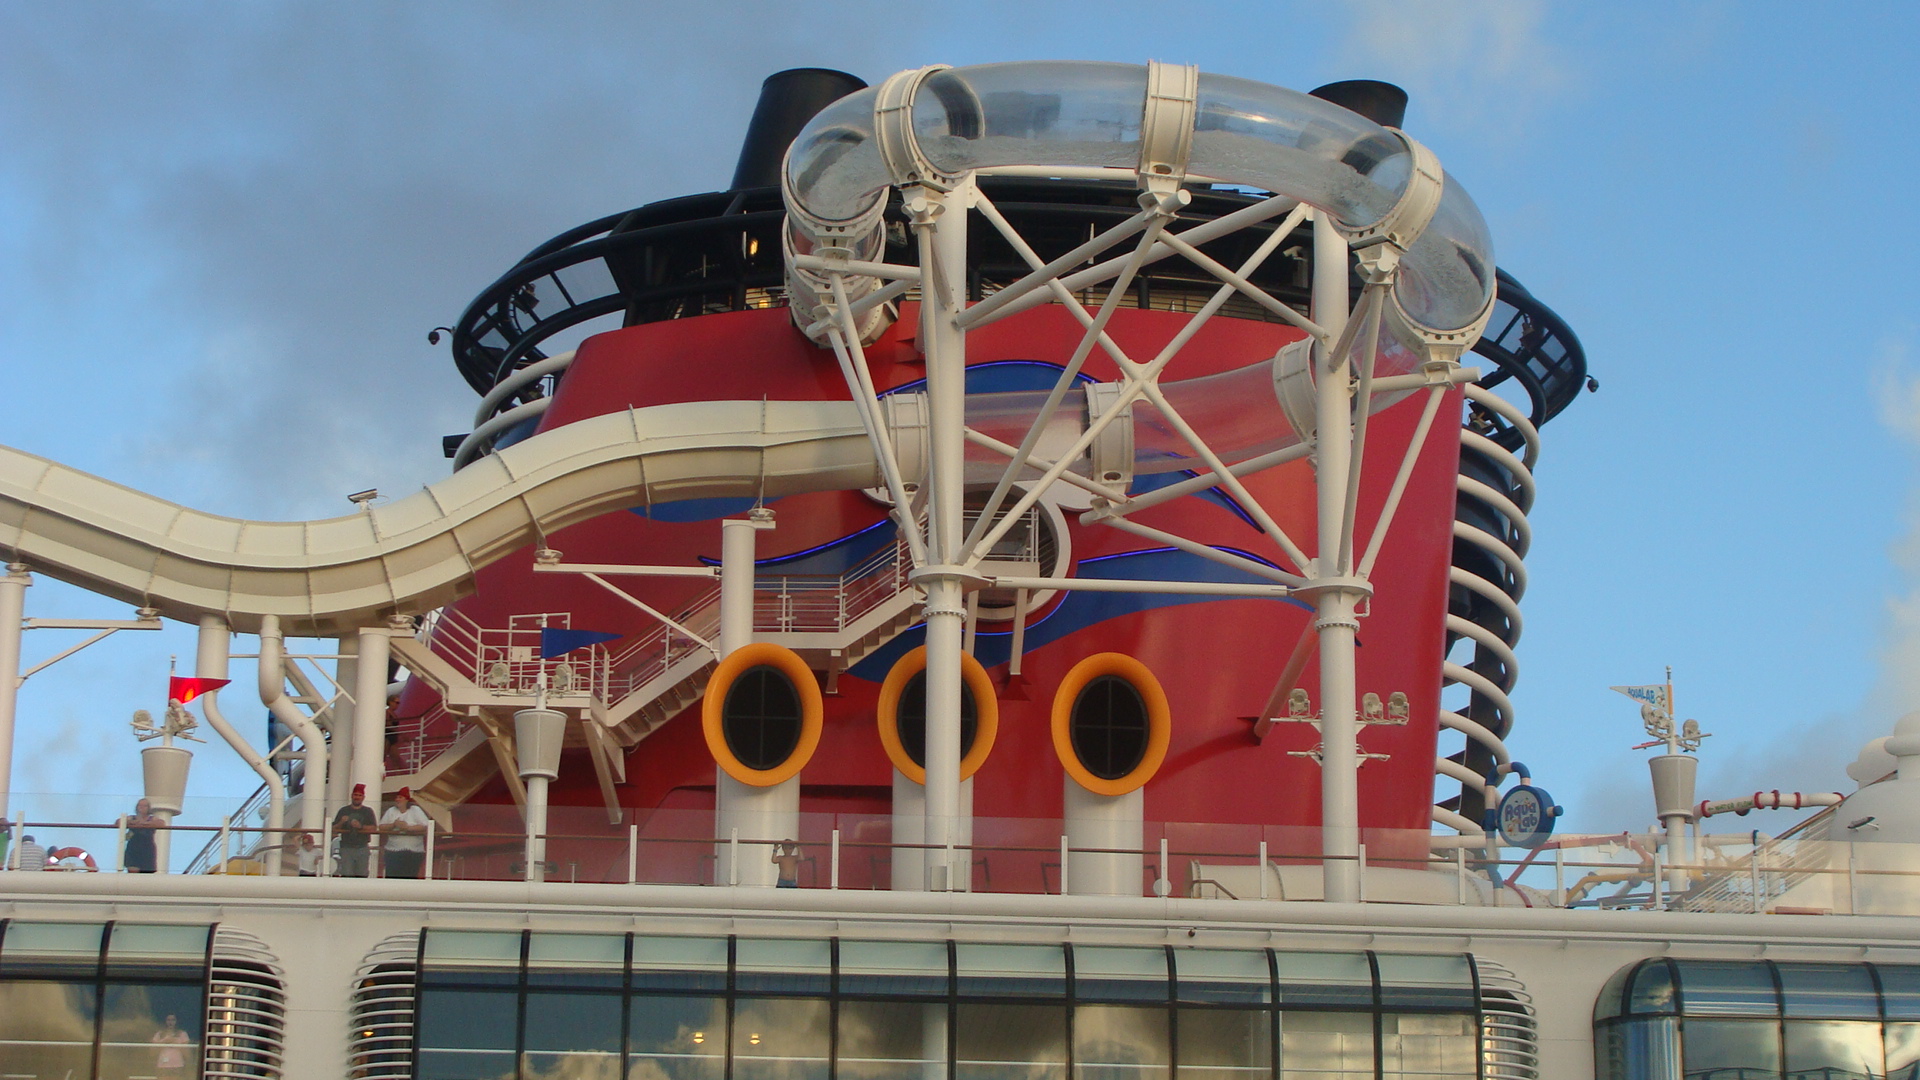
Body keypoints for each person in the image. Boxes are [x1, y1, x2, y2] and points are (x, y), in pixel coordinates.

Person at [380, 787, 430, 879]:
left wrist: (408, 828)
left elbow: (426, 826)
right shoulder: (391, 810)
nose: (397, 800)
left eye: (400, 797)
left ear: (406, 799)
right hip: (393, 852)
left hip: (413, 852)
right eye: (397, 797)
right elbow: (381, 827)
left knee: (410, 879)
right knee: (392, 879)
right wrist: (394, 825)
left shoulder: (416, 810)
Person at [332, 784, 377, 877]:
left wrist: (360, 826)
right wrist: (341, 822)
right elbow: (333, 829)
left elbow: (374, 828)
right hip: (346, 848)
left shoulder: (368, 811)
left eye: (359, 795)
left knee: (362, 876)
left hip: (362, 847)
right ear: (352, 796)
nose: (357, 797)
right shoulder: (343, 810)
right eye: (355, 795)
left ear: (363, 797)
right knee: (346, 875)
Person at [123, 798, 163, 873]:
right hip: (133, 848)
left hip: (147, 849)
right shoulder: (132, 818)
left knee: (147, 874)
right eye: (139, 805)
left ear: (148, 808)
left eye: (144, 806)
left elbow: (161, 823)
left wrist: (145, 823)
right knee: (133, 872)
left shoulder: (152, 818)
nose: (141, 807)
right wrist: (133, 822)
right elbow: (119, 822)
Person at [152, 1013, 191, 1079]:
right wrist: (164, 1042)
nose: (170, 1022)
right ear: (165, 1021)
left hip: (177, 1065)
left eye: (173, 1020)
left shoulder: (182, 1034)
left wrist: (176, 1043)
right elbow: (152, 1053)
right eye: (168, 1020)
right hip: (162, 1065)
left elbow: (187, 1054)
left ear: (177, 1021)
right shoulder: (159, 1034)